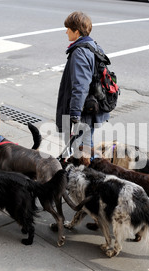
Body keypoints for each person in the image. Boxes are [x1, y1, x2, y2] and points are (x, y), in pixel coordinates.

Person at [56, 11, 110, 160]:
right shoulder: (93, 46)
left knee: (83, 152)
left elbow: (81, 85)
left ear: (77, 31)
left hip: (84, 110)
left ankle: (91, 178)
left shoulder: (80, 52)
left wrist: (75, 114)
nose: (66, 31)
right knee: (86, 146)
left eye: (68, 28)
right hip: (92, 107)